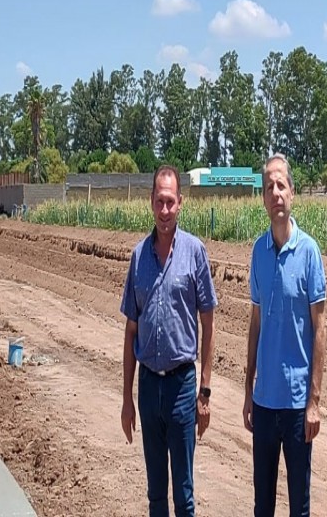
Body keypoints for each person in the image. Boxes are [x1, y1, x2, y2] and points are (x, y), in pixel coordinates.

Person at [120, 164, 218, 517]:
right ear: (151, 202)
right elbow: (131, 331)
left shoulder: (195, 252)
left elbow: (208, 323)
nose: (164, 211)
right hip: (148, 388)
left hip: (181, 388)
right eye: (159, 202)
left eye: (170, 203)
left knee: (185, 496)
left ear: (180, 203)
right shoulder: (138, 256)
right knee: (155, 495)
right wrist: (127, 400)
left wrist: (203, 393)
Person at [243, 153, 327, 517]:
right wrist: (248, 390)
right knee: (263, 503)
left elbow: (320, 330)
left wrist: (314, 402)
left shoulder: (309, 252)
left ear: (292, 193)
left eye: (281, 185)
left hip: (296, 408)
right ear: (262, 198)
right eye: (268, 187)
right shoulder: (258, 252)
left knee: (299, 506)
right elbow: (255, 323)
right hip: (264, 403)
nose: (275, 193)